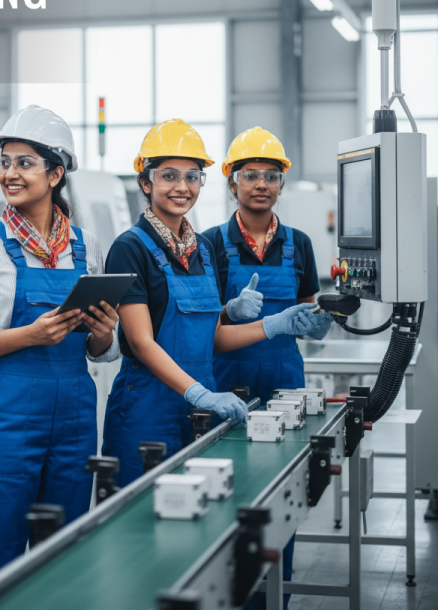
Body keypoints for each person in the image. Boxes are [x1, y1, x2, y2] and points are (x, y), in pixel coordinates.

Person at [0, 105, 120, 575]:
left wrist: (104, 332)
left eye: (24, 163)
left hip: (75, 418)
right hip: (5, 418)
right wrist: (28, 336)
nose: (10, 173)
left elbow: (103, 352)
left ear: (56, 174)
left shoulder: (86, 246)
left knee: (64, 557)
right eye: (5, 162)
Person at [102, 119, 327, 487]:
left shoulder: (203, 250)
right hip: (150, 407)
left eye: (192, 177)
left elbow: (214, 337)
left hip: (202, 408)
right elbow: (141, 343)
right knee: (142, 513)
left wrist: (275, 324)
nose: (182, 187)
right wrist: (200, 393)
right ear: (146, 182)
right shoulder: (130, 248)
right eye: (169, 175)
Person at [203, 126, 332, 610]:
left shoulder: (300, 244)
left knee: (283, 493)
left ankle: (273, 598)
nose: (261, 184)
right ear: (232, 182)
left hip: (284, 381)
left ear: (281, 184)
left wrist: (320, 324)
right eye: (250, 174)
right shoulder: (211, 244)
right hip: (227, 381)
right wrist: (228, 310)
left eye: (271, 176)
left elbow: (309, 309)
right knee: (226, 492)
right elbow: (201, 325)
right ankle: (222, 594)